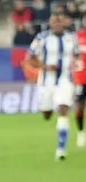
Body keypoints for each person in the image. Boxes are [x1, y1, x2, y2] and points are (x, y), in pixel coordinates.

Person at [23, 12, 80, 161]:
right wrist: (46, 66)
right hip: (46, 82)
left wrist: (77, 65)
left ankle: (61, 149)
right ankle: (49, 110)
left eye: (60, 22)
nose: (57, 24)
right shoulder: (42, 38)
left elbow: (77, 55)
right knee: (47, 114)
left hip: (65, 80)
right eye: (54, 22)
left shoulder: (71, 38)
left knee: (63, 109)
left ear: (63, 23)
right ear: (50, 24)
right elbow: (29, 59)